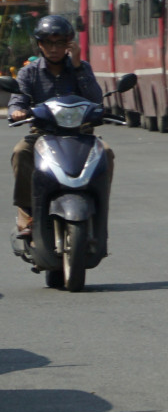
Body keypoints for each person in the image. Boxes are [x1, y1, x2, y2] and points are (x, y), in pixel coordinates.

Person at [9, 13, 107, 251]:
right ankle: (28, 214)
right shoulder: (29, 73)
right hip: (42, 135)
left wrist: (76, 66)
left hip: (81, 136)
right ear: (40, 44)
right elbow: (17, 100)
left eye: (60, 43)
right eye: (48, 43)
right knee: (21, 152)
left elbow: (96, 100)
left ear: (69, 44)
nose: (54, 48)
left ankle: (100, 209)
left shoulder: (81, 68)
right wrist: (17, 111)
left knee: (108, 154)